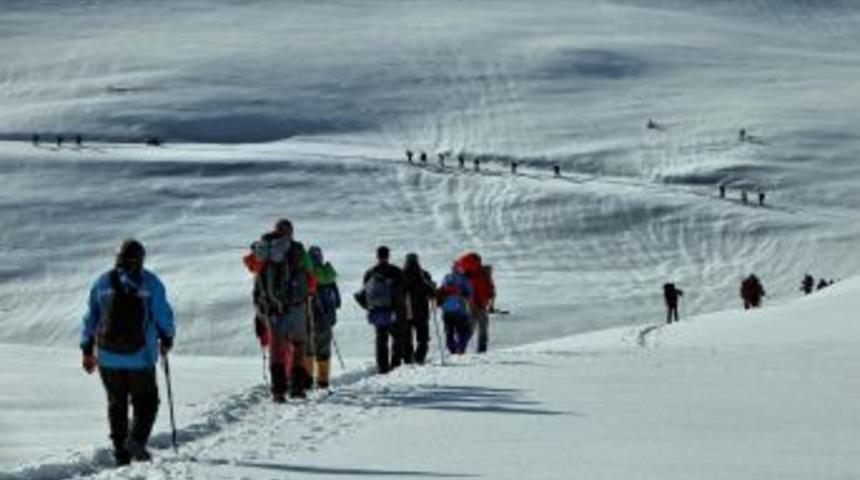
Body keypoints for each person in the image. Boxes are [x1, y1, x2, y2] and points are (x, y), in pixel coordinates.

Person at [80, 239, 175, 466]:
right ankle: (136, 440)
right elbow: (163, 315)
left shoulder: (103, 282)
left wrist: (87, 350)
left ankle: (121, 452)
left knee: (116, 403)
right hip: (140, 357)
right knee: (147, 402)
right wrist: (168, 338)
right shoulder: (150, 282)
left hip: (107, 357)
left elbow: (90, 319)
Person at [247, 219, 316, 401]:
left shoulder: (263, 251)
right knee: (298, 345)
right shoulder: (298, 250)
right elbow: (311, 277)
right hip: (296, 306)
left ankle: (278, 391)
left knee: (276, 349)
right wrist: (307, 293)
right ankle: (296, 388)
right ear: (290, 233)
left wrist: (260, 306)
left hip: (272, 308)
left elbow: (255, 275)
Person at [355, 246, 405, 373]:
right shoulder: (397, 271)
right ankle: (395, 364)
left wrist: (369, 307)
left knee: (381, 339)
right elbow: (402, 291)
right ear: (388, 256)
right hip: (394, 310)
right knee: (397, 337)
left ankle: (382, 367)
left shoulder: (370, 273)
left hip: (377, 311)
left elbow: (365, 293)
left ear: (377, 256)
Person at [305, 245, 341, 389]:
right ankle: (323, 381)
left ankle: (307, 381)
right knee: (324, 350)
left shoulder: (307, 275)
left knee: (308, 350)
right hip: (327, 319)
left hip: (308, 318)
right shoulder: (329, 275)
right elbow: (338, 302)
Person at [456, 253, 495, 353]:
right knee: (478, 329)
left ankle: (464, 349)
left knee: (475, 328)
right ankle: (466, 349)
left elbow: (490, 290)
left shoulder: (475, 274)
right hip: (476, 304)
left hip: (477, 304)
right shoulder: (473, 274)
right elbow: (491, 290)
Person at [402, 253, 436, 364]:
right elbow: (431, 293)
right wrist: (432, 287)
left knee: (406, 338)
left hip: (405, 311)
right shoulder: (424, 275)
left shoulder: (400, 274)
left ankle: (408, 358)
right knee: (423, 338)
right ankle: (419, 357)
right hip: (421, 312)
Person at [436, 264, 474, 354]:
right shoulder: (464, 279)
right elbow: (470, 293)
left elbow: (441, 291)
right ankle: (461, 349)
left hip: (446, 311)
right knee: (464, 331)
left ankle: (452, 349)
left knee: (449, 332)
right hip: (460, 311)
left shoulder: (446, 278)